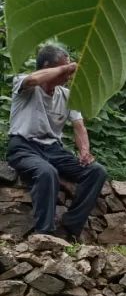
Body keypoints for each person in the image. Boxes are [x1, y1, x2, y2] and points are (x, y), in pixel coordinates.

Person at [6, 45, 108, 241]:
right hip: (23, 147)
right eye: (63, 68)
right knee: (46, 172)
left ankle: (70, 228)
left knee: (96, 171)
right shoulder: (24, 84)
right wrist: (67, 67)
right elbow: (35, 78)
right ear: (47, 66)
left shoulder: (66, 95)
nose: (68, 74)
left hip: (53, 150)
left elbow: (79, 126)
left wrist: (85, 151)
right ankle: (45, 234)